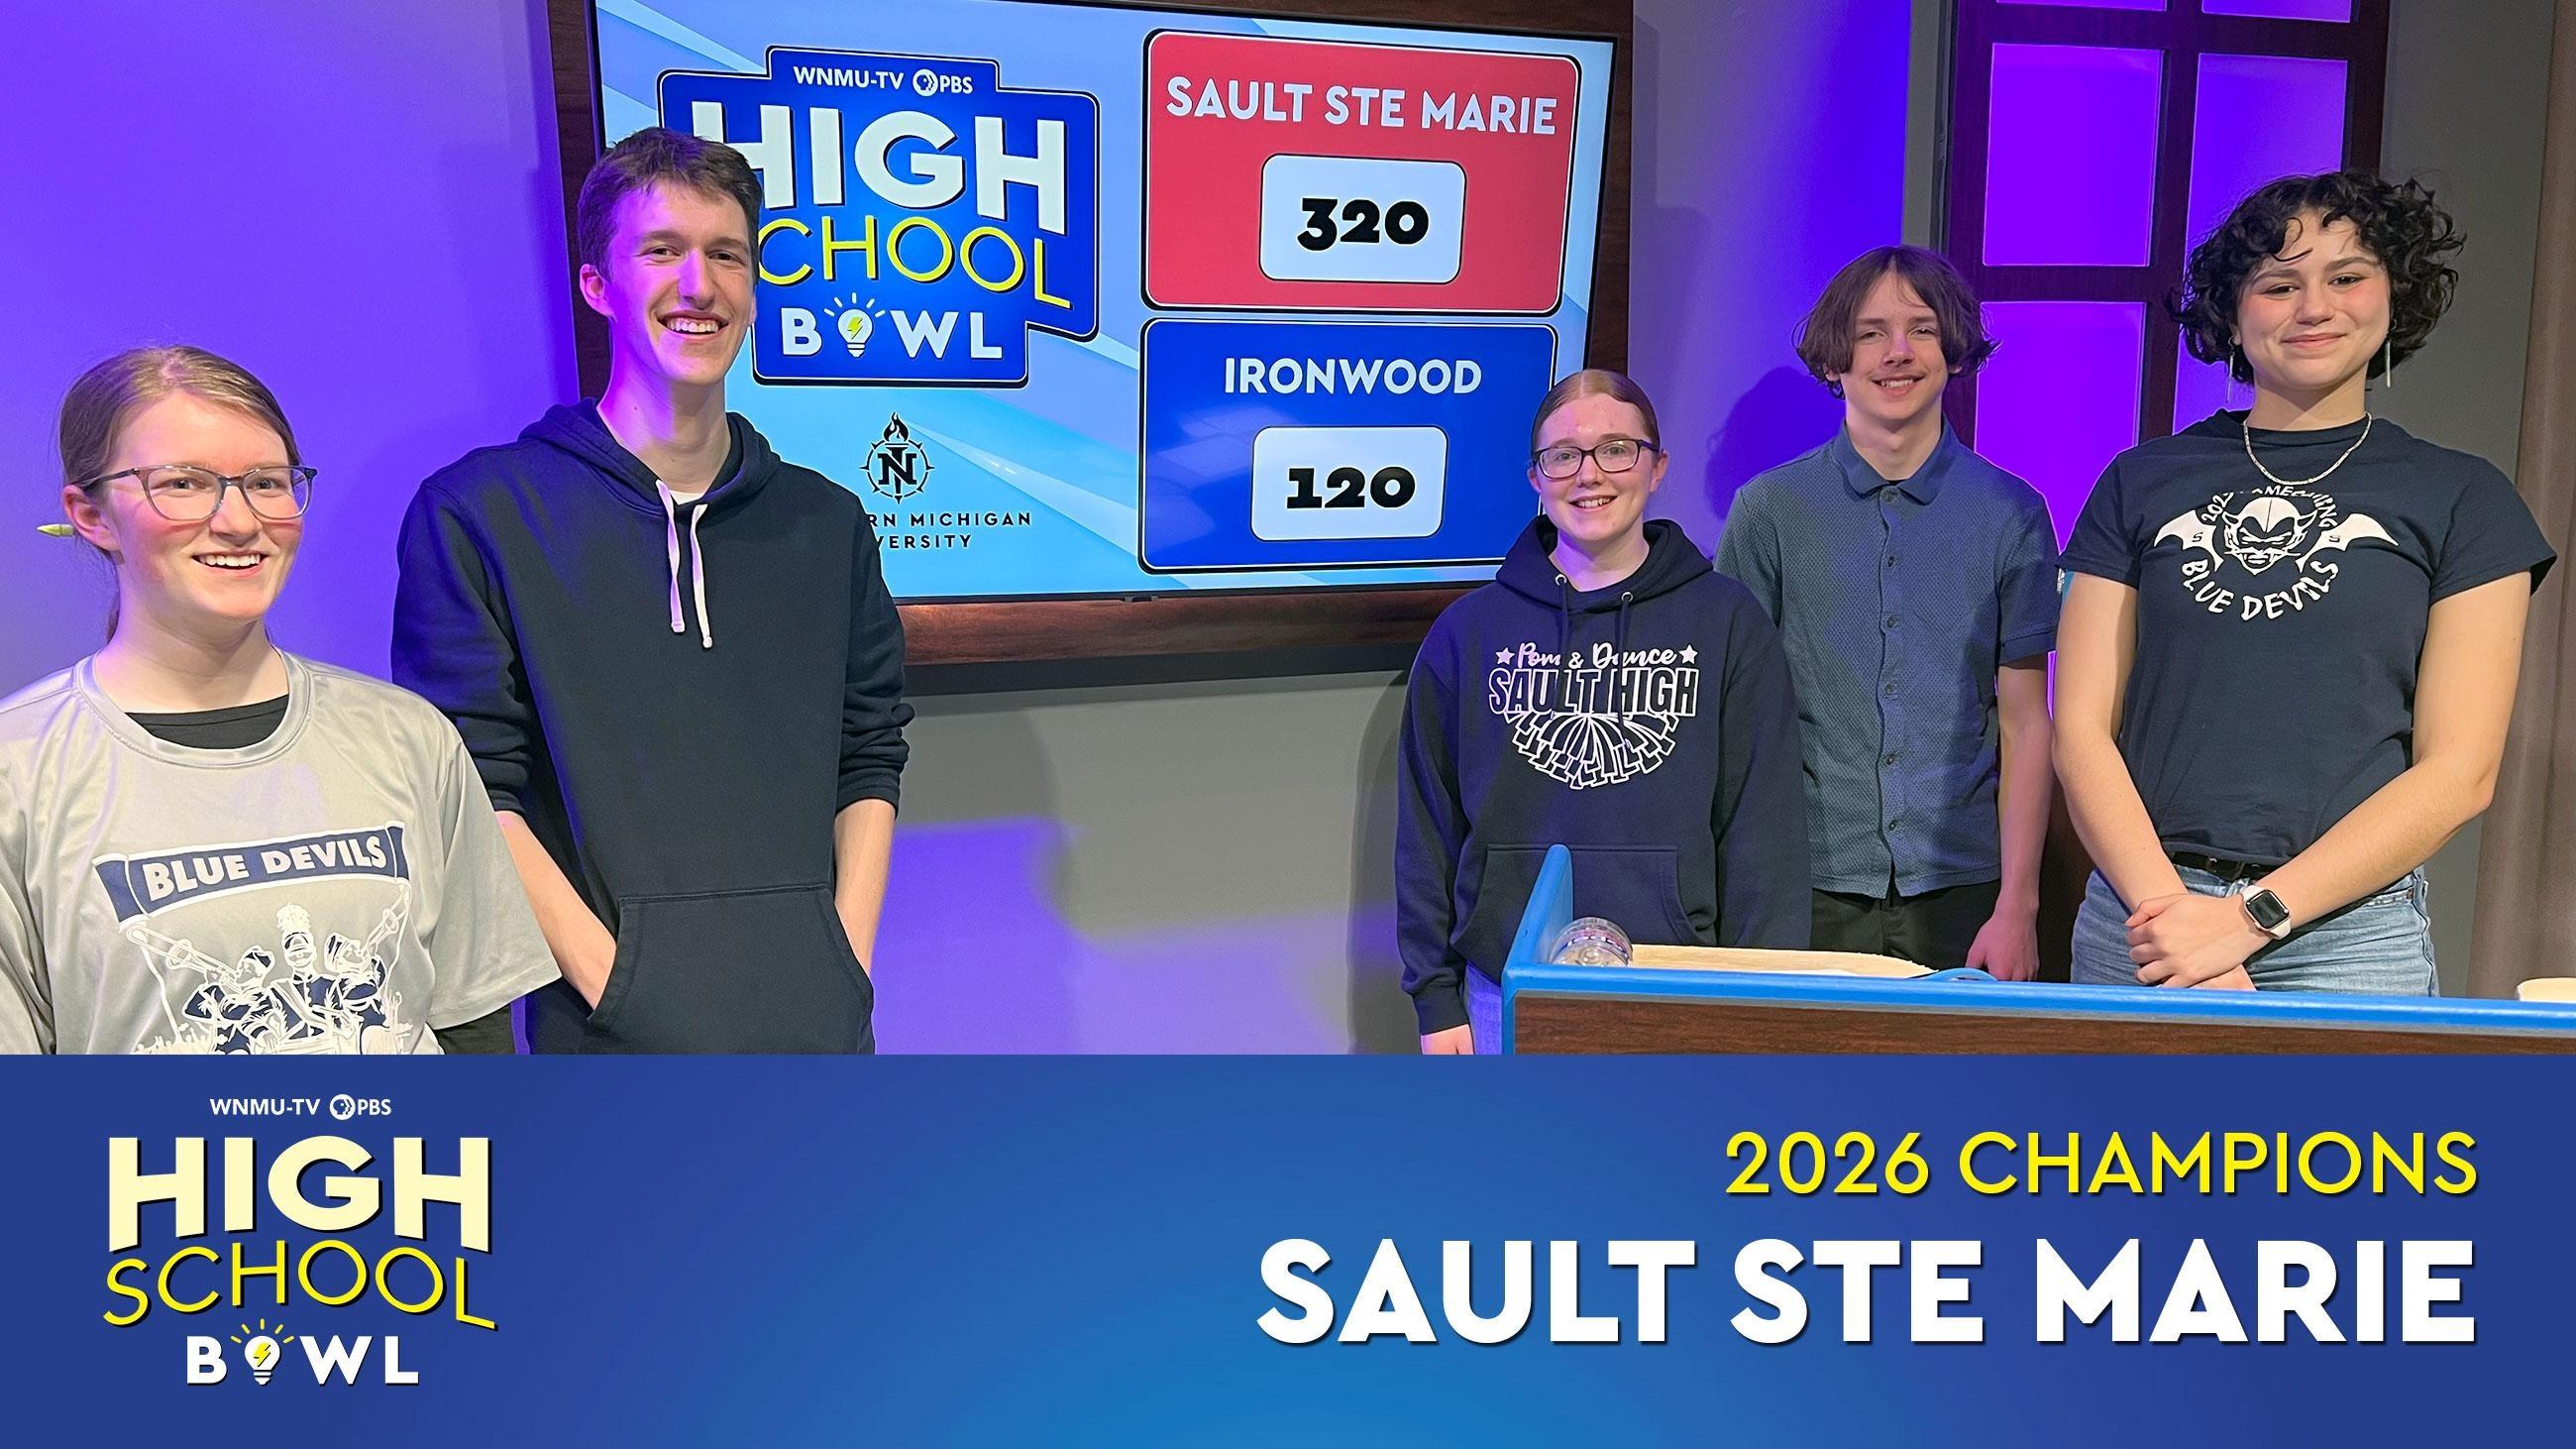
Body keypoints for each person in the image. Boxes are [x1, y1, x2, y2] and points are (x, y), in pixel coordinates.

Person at [394, 128, 912, 1054]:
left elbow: (868, 753)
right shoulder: (480, 514)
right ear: (599, 285)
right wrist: (617, 986)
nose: (699, 286)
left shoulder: (828, 525)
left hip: (821, 1035)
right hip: (607, 1041)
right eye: (661, 251)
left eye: (726, 255)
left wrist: (847, 965)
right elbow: (470, 785)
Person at [2056, 171, 2555, 993]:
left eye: (2348, 277)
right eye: (2279, 284)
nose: (2314, 307)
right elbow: (2079, 727)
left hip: (2348, 935)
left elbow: (2459, 769)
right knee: (2114, 1131)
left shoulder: (2463, 497)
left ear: (2396, 294)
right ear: (2233, 311)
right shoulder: (2140, 480)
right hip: (2145, 922)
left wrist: (2248, 919)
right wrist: (2177, 923)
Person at [0, 346, 557, 1054]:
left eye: (266, 482)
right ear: (92, 514)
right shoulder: (19, 774)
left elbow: (472, 1032)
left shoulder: (408, 740)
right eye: (183, 483)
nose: (238, 521)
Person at [1397, 369, 1809, 1054]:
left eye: (1617, 449)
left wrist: (1758, 998)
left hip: (1684, 984)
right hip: (1505, 991)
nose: (1589, 474)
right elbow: (1426, 830)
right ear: (1536, 477)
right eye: (1564, 456)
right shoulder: (1467, 633)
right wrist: (1435, 1000)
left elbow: (1763, 830)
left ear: (1657, 467)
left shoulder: (1728, 622)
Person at [1718, 246, 2058, 975]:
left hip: (1965, 885)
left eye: (1922, 329)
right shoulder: (1769, 511)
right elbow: (1736, 720)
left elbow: (2027, 722)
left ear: (1955, 351)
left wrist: (2018, 906)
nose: (1897, 352)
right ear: (1835, 358)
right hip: (1806, 881)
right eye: (1871, 332)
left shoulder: (2013, 513)